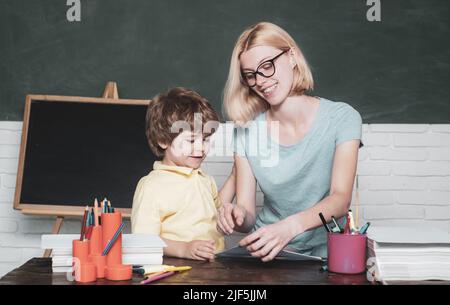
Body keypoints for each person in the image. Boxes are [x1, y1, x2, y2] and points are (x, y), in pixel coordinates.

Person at [217, 22, 362, 261]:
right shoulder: (246, 131)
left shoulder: (342, 118)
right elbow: (248, 214)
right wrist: (237, 215)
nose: (261, 81)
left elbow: (340, 199)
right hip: (270, 255)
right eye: (251, 75)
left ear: (292, 56)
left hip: (328, 255)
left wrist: (288, 228)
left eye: (267, 66)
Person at [131, 87, 235, 261]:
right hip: (178, 271)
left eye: (206, 139)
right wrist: (184, 249)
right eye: (192, 140)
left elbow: (215, 216)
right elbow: (144, 240)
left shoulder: (204, 179)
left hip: (214, 269)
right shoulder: (151, 186)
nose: (201, 147)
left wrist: (235, 177)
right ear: (163, 140)